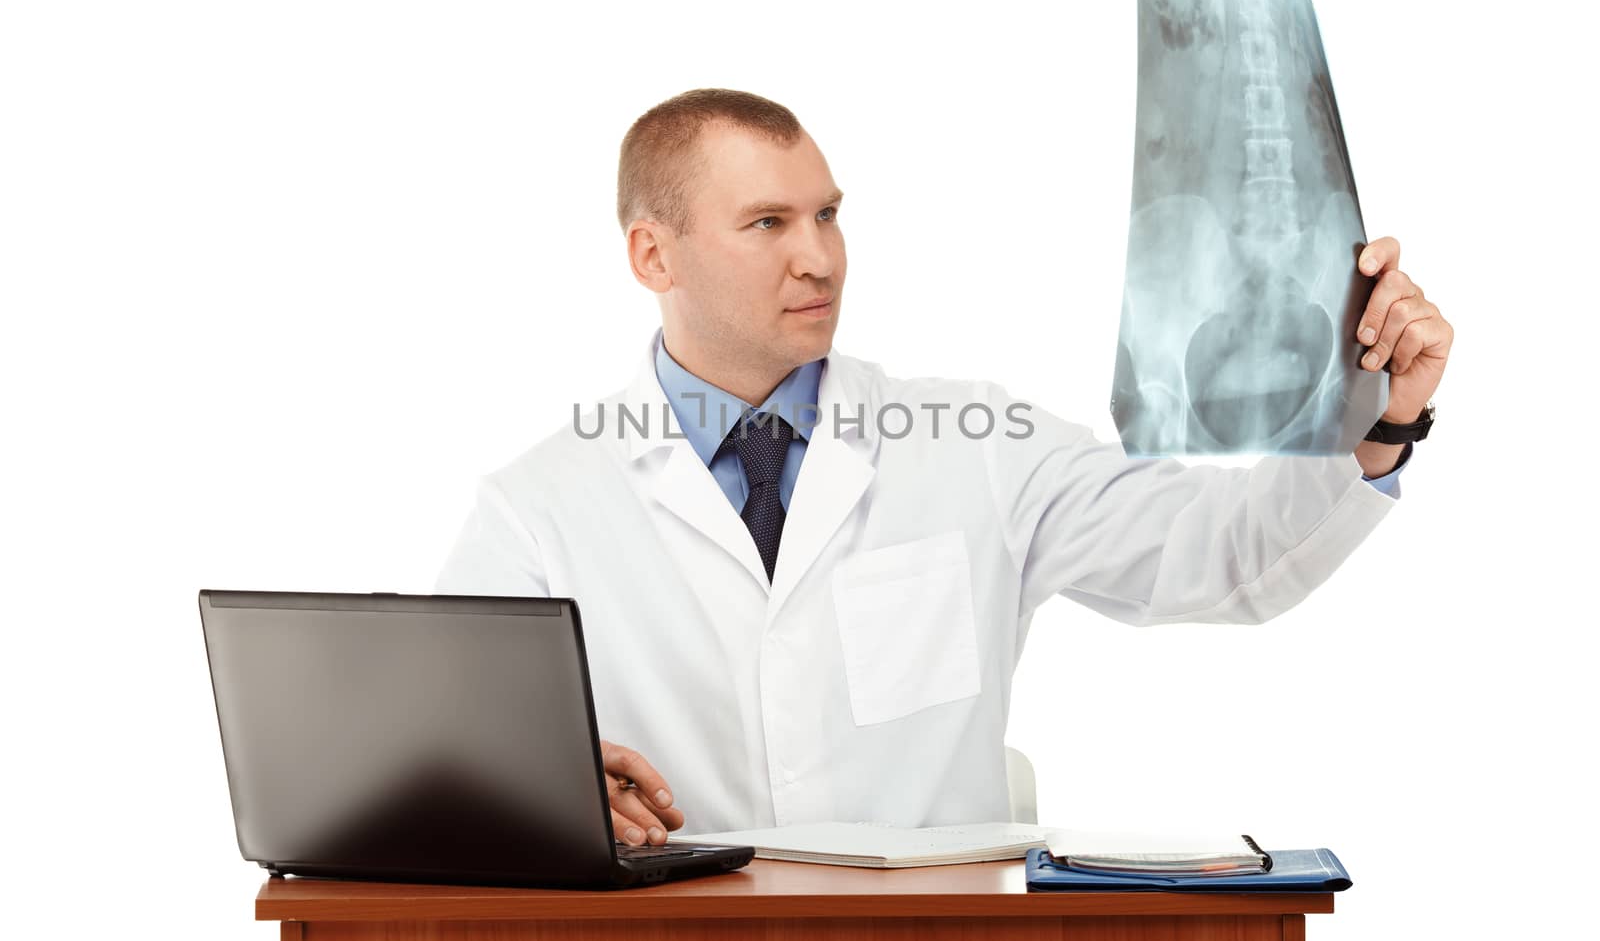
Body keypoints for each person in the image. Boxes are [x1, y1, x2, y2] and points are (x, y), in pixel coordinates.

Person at [435, 88, 1453, 848]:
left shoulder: (977, 444)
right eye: (767, 224)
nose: (820, 258)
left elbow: (1222, 556)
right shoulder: (538, 507)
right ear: (653, 257)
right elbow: (448, 761)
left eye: (828, 215)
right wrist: (551, 792)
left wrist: (1379, 421)